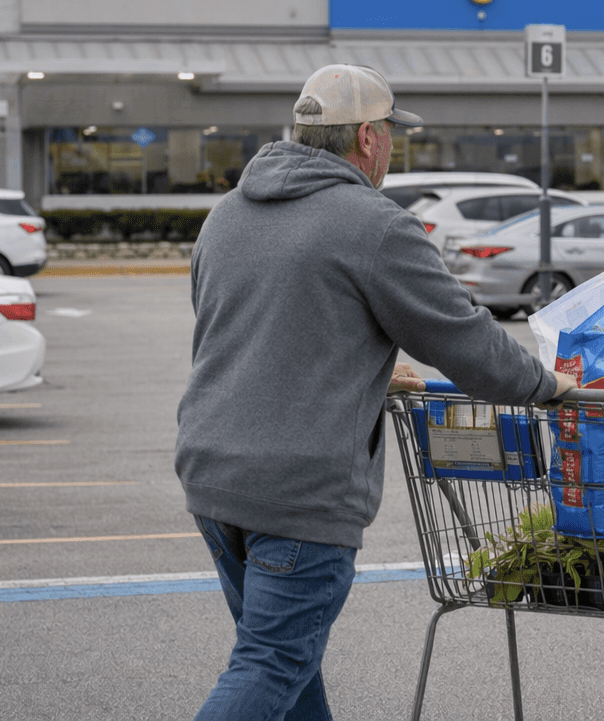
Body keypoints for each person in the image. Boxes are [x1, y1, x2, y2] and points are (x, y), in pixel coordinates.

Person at [175, 64, 576, 721]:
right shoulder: (372, 224)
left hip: (213, 479)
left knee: (283, 661)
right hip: (298, 492)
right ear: (367, 137)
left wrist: (361, 366)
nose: (394, 143)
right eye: (391, 130)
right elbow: (466, 343)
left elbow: (245, 332)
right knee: (272, 662)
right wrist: (548, 384)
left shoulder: (227, 215)